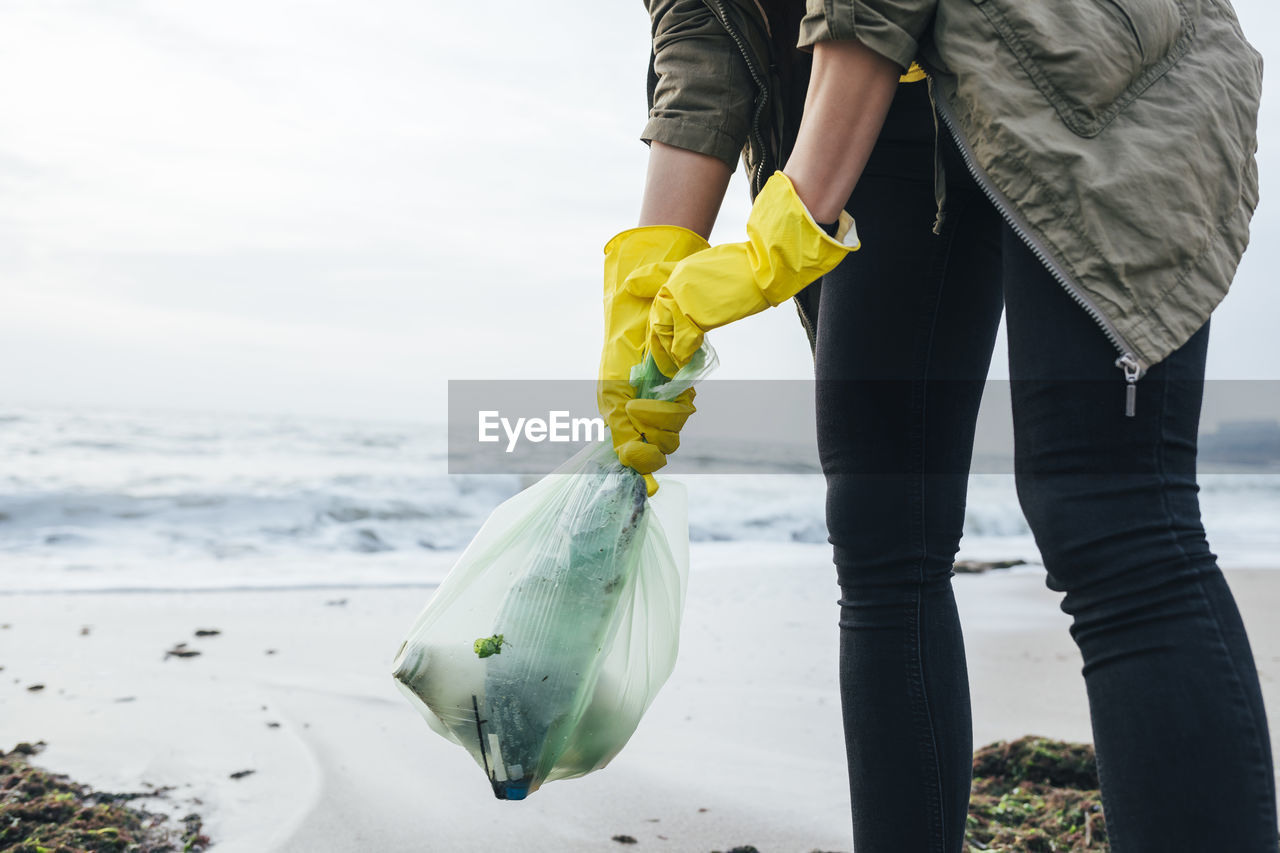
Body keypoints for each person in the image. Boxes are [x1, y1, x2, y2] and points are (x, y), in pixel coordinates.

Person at [596, 1, 1277, 851]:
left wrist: (795, 217)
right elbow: (705, 29)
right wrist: (651, 277)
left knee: (1109, 513)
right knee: (882, 531)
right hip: (883, 106)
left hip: (1078, 50)